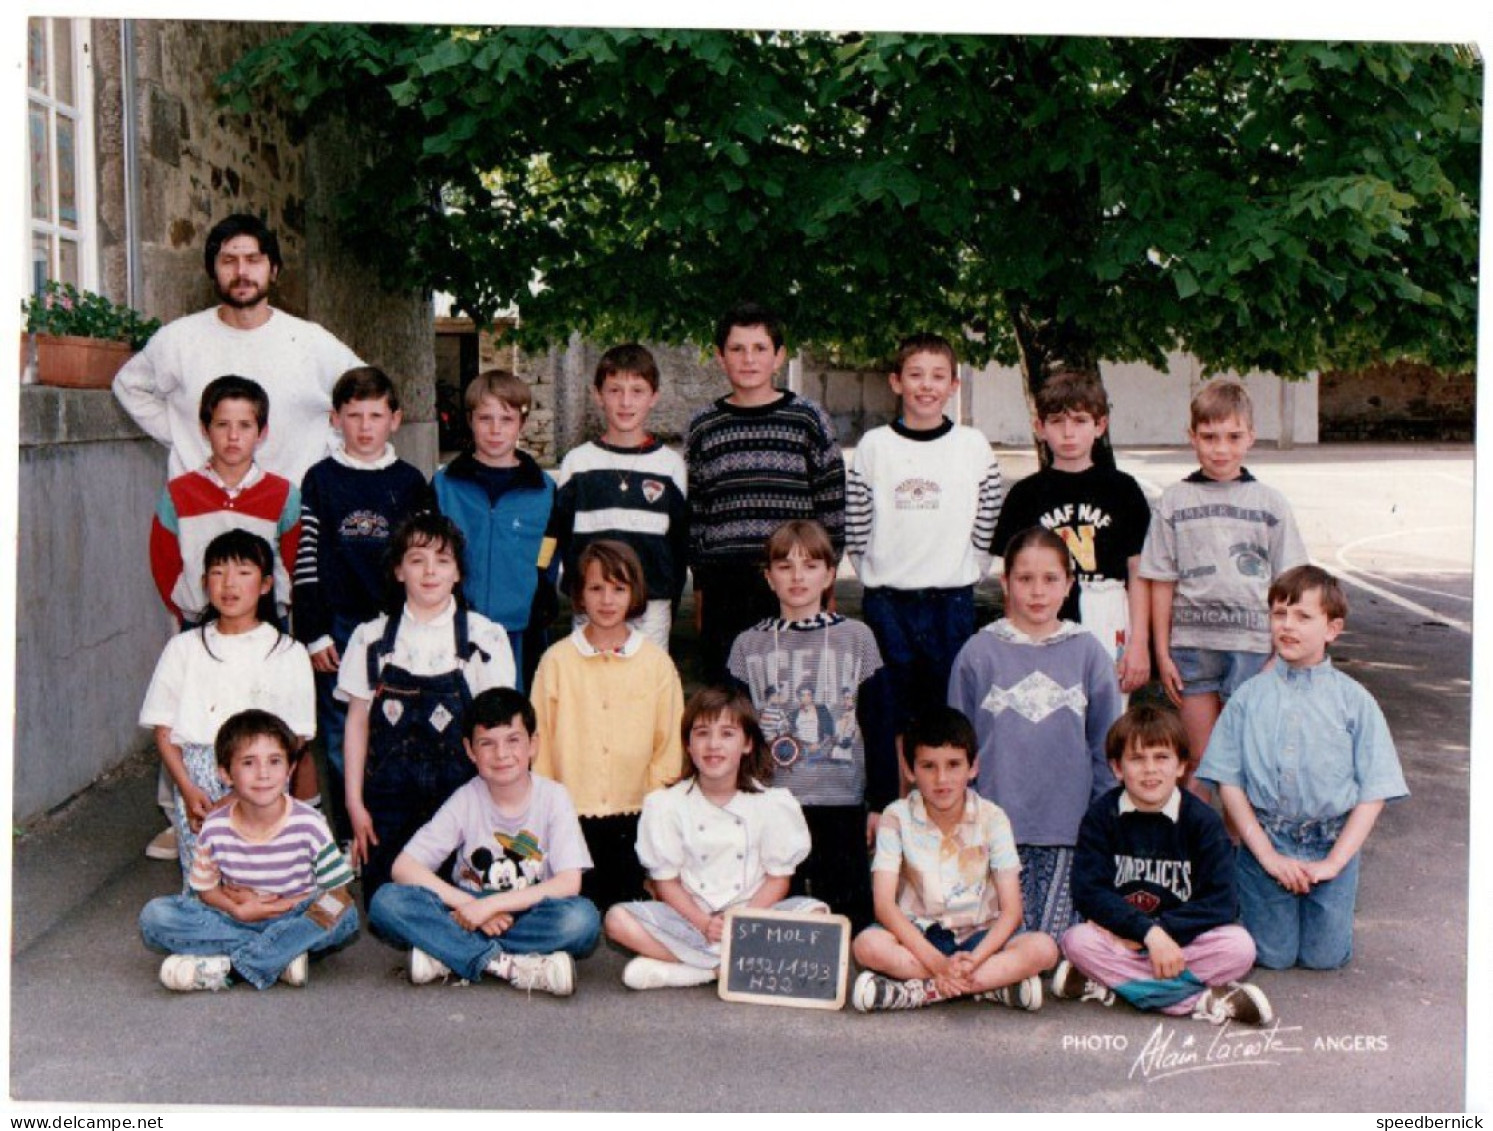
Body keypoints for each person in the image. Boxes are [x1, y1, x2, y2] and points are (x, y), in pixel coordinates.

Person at [1197, 565, 1407, 970]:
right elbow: (1229, 783)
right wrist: (1267, 855)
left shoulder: (1354, 700)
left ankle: (1321, 912)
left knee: (1324, 958)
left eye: (1303, 616)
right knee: (1272, 956)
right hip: (1266, 842)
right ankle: (1251, 900)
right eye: (1279, 614)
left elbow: (1374, 790)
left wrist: (1333, 863)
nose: (1287, 626)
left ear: (1332, 628)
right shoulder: (1248, 698)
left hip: (1330, 842)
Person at [367, 688, 601, 996]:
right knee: (386, 902)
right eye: (487, 744)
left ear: (533, 745)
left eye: (513, 740)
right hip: (465, 912)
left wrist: (492, 905)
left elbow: (569, 883)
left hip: (529, 912)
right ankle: (508, 966)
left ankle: (448, 954)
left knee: (581, 920)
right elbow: (404, 866)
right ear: (469, 750)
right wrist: (472, 905)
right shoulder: (466, 798)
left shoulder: (554, 796)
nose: (501, 754)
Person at [948, 526, 1122, 939]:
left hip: (1067, 826)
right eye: (1025, 579)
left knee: (1053, 939)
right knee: (999, 934)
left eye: (1050, 579)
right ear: (1005, 582)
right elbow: (955, 745)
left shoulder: (1087, 652)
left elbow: (1105, 746)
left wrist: (1102, 818)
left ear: (1069, 585)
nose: (1037, 592)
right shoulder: (979, 652)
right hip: (993, 827)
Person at [337, 512, 516, 903]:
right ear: (399, 570)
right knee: (384, 905)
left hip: (461, 803)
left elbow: (499, 738)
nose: (430, 572)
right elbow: (356, 725)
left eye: (443, 560)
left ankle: (440, 944)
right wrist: (355, 804)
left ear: (458, 573)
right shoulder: (369, 640)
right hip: (388, 803)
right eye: (417, 560)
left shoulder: (486, 638)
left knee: (463, 896)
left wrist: (496, 811)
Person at [1057, 702, 1273, 1025]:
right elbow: (1089, 892)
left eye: (1161, 757)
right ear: (1117, 768)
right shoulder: (1101, 816)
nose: (1150, 769)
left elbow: (1222, 903)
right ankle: (1200, 1000)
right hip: (1124, 939)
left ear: (1181, 766)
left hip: (1182, 944)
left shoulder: (1202, 822)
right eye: (1137, 759)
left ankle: (1116, 986)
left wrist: (1161, 933)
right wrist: (1146, 934)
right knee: (1076, 940)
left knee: (1240, 947)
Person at [727, 520, 894, 931]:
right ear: (768, 577)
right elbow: (736, 734)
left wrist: (882, 803)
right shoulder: (748, 645)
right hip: (772, 800)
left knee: (846, 916)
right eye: (784, 566)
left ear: (830, 574)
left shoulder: (858, 639)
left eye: (810, 565)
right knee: (774, 914)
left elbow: (879, 724)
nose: (798, 576)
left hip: (841, 800)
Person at [113, 212, 363, 485]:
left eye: (253, 260)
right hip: (203, 510)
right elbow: (128, 385)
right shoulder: (179, 339)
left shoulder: (312, 342)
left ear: (274, 270)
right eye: (229, 261)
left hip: (290, 514)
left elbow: (369, 396)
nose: (241, 272)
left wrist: (327, 445)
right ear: (213, 271)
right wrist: (182, 435)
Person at [603, 686, 827, 990]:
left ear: (747, 743)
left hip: (753, 916)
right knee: (616, 920)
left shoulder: (772, 804)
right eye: (702, 733)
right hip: (689, 920)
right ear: (688, 745)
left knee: (817, 914)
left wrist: (741, 922)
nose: (713, 745)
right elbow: (665, 881)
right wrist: (705, 923)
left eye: (727, 734)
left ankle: (690, 968)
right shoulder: (666, 804)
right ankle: (720, 968)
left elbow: (778, 879)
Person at [1139, 379, 1308, 780]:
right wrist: (1162, 652)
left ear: (1251, 436)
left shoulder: (1269, 504)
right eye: (1210, 437)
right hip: (1192, 649)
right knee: (1198, 759)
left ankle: (1239, 844)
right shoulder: (1174, 501)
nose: (1221, 448)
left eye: (1233, 436)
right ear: (1191, 437)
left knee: (1245, 763)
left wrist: (1280, 653)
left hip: (1252, 648)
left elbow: (1291, 586)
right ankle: (1199, 844)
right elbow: (1160, 580)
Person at [292, 366, 430, 829]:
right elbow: (305, 562)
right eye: (354, 416)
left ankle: (396, 828)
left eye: (375, 415)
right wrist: (313, 632)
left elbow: (425, 559)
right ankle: (353, 833)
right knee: (338, 733)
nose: (365, 427)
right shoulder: (319, 480)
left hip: (398, 624)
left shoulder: (411, 482)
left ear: (395, 419)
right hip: (340, 628)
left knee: (400, 727)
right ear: (336, 419)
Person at [846, 333, 1003, 738]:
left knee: (947, 712)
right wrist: (869, 571)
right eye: (916, 374)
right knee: (890, 712)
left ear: (953, 385)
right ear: (897, 382)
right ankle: (897, 797)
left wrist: (973, 566)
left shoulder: (972, 445)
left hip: (951, 602)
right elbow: (858, 519)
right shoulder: (875, 446)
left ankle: (943, 797)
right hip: (888, 602)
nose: (926, 385)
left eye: (938, 376)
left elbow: (989, 510)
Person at [851, 706, 1056, 1012]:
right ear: (909, 770)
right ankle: (989, 988)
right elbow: (884, 905)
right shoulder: (896, 816)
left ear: (973, 767)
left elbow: (1012, 910)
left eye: (954, 764)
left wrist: (974, 959)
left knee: (1044, 949)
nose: (942, 778)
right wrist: (936, 962)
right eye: (928, 766)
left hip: (980, 938)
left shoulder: (993, 818)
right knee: (866, 947)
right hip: (918, 939)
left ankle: (920, 992)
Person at [138, 530, 315, 883]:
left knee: (262, 879)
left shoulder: (287, 652)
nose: (229, 584)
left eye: (244, 572)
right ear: (205, 582)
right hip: (197, 777)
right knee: (206, 881)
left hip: (264, 777)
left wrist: (240, 792)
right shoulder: (184, 648)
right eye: (218, 572)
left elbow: (296, 736)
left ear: (266, 584)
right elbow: (164, 729)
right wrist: (188, 791)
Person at [138, 709, 359, 992]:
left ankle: (232, 969)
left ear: (290, 769)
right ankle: (281, 957)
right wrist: (238, 910)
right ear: (226, 774)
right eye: (248, 763)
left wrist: (283, 906)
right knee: (156, 917)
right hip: (237, 919)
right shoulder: (215, 826)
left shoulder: (309, 823)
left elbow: (337, 891)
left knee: (344, 912)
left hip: (296, 915)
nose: (263, 774)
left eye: (275, 761)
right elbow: (206, 890)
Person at [686, 301, 846, 684]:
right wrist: (701, 587)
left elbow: (832, 504)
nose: (749, 359)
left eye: (760, 348)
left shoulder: (808, 419)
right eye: (737, 349)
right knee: (731, 697)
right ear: (720, 357)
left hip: (794, 581)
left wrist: (827, 578)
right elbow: (697, 513)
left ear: (779, 357)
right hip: (726, 584)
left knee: (797, 695)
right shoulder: (705, 426)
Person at [530, 540, 685, 909]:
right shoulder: (557, 661)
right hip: (571, 813)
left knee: (629, 907)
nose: (607, 599)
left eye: (619, 589)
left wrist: (654, 803)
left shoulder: (655, 662)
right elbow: (541, 739)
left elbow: (670, 742)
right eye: (596, 588)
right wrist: (549, 803)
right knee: (574, 908)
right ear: (580, 595)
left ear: (634, 595)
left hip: (635, 814)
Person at [990, 371, 1152, 696]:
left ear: (1100, 426)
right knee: (1047, 707)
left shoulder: (1123, 490)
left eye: (1079, 421)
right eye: (1056, 421)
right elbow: (1009, 577)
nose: (1068, 433)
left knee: (1108, 714)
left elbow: (1139, 571)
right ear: (1040, 427)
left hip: (1107, 607)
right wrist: (1016, 638)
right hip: (1044, 611)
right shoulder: (1026, 494)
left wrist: (1138, 644)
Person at [545, 344, 688, 653]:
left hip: (651, 604)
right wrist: (562, 587)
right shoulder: (577, 463)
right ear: (598, 395)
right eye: (614, 390)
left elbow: (678, 545)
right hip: (591, 602)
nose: (625, 402)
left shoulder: (670, 465)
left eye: (637, 391)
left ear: (654, 397)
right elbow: (557, 537)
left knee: (645, 688)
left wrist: (671, 598)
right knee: (591, 686)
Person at [432, 369, 557, 688]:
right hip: (453, 625)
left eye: (506, 419)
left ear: (522, 424)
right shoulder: (445, 485)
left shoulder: (543, 490)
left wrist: (539, 587)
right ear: (470, 420)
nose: (495, 430)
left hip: (518, 627)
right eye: (485, 418)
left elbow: (549, 546)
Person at [149, 375, 300, 626]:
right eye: (222, 424)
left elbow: (295, 563)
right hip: (198, 624)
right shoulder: (178, 493)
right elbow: (164, 565)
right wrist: (188, 607)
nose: (233, 436)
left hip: (267, 623)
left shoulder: (284, 494)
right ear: (204, 429)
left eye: (244, 425)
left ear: (262, 432)